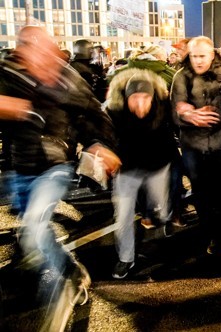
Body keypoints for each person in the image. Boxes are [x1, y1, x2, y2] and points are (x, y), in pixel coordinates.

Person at [0, 26, 120, 330]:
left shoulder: (69, 81)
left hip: (54, 166)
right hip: (19, 168)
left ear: (54, 53)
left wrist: (99, 144)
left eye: (44, 52)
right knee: (32, 231)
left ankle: (64, 287)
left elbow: (95, 115)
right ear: (23, 53)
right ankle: (71, 267)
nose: (39, 60)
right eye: (29, 51)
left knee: (34, 229)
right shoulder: (10, 73)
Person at [170, 36, 221, 255]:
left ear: (212, 54)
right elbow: (175, 108)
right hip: (193, 145)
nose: (198, 61)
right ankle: (209, 232)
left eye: (202, 56)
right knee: (201, 192)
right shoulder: (181, 77)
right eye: (194, 56)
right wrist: (188, 115)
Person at [106, 68, 178, 279]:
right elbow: (99, 132)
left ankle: (159, 220)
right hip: (126, 169)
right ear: (125, 98)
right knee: (123, 215)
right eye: (134, 98)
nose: (140, 103)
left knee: (161, 211)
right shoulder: (114, 111)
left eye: (145, 97)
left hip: (157, 166)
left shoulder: (163, 107)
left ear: (153, 97)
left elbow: (178, 128)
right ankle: (126, 258)